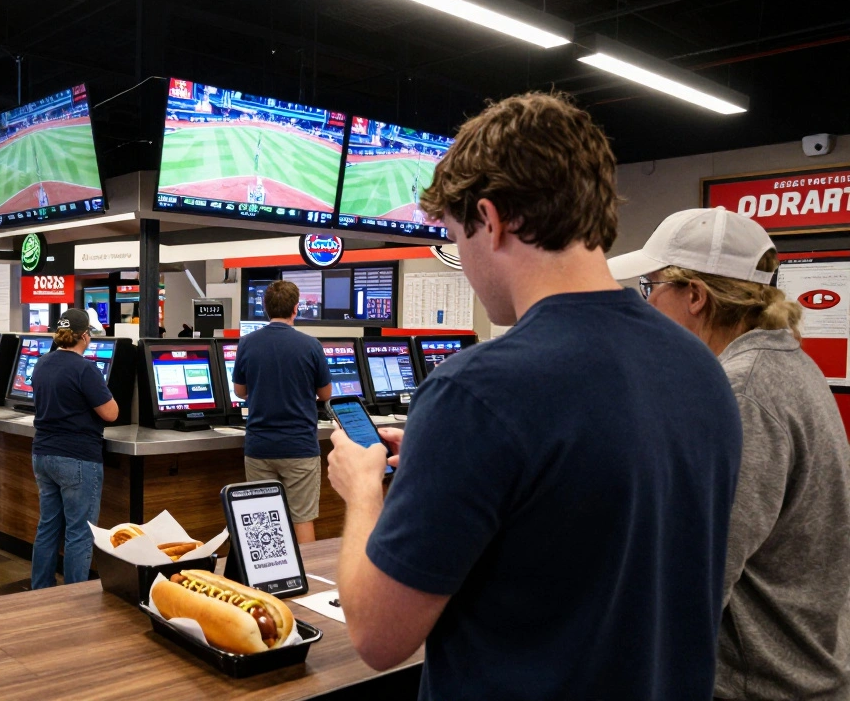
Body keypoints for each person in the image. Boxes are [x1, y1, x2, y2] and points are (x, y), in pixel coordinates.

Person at [324, 91, 742, 699]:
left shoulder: (475, 392)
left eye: (454, 236)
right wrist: (448, 465)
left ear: (490, 220)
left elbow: (377, 638)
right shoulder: (701, 367)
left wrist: (362, 488)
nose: (462, 260)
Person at [610, 207, 850, 700]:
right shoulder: (785, 364)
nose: (647, 304)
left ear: (695, 296)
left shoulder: (742, 394)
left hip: (757, 684)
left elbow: (693, 581)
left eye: (650, 287)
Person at [232, 279, 332, 544]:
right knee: (302, 519)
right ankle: (311, 580)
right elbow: (326, 395)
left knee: (262, 520)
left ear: (265, 308)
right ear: (296, 308)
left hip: (259, 446)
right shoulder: (311, 346)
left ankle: (267, 579)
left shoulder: (247, 343)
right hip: (299, 446)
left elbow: (239, 391)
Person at [29, 308, 118, 588]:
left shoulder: (42, 363)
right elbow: (111, 413)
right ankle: (74, 598)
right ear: (85, 336)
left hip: (43, 453)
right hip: (77, 456)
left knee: (48, 527)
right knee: (79, 532)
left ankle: (40, 589)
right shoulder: (85, 368)